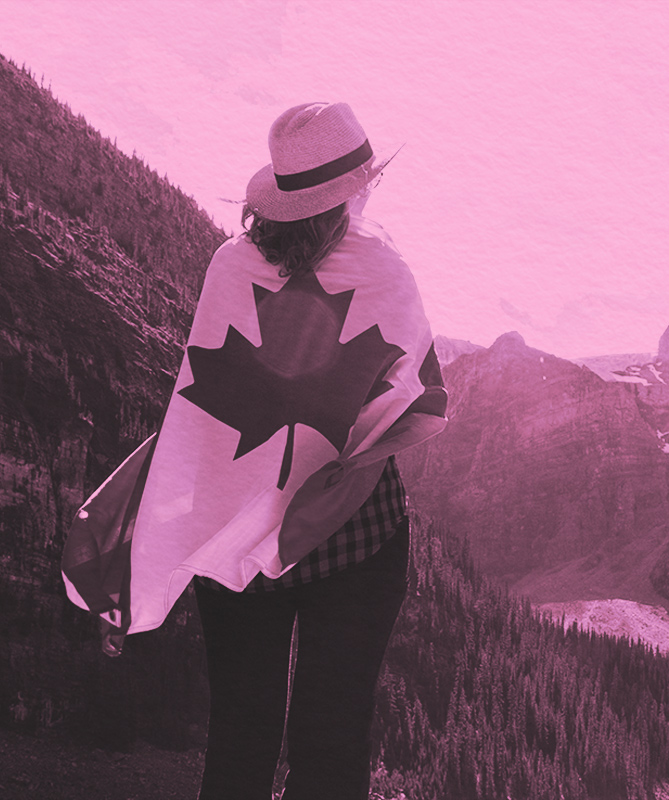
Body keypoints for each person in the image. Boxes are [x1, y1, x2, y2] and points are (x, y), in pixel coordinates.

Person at [62, 102, 447, 800]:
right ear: (353, 189)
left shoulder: (228, 266)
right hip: (353, 533)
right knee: (332, 744)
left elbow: (202, 401)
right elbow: (418, 401)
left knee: (240, 739)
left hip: (231, 534)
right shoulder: (384, 270)